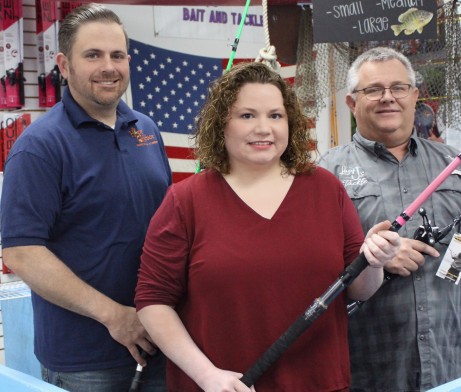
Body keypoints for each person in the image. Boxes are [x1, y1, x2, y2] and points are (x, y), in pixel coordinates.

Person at [134, 61, 401, 392]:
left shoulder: (325, 189)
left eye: (275, 116)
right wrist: (206, 375)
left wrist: (372, 260)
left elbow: (360, 288)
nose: (264, 128)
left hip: (319, 383)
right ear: (221, 124)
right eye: (247, 115)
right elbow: (152, 301)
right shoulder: (185, 201)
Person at [1, 4, 171, 391]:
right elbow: (22, 252)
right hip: (86, 361)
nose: (108, 67)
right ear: (63, 64)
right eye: (92, 55)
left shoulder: (145, 130)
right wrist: (115, 316)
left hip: (162, 340)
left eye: (117, 55)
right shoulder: (40, 147)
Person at [319, 46, 461, 391]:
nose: (387, 98)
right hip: (366, 371)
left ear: (414, 95)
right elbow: (311, 266)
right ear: (351, 103)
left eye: (398, 87)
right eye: (374, 90)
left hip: (447, 364)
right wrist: (371, 259)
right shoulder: (325, 175)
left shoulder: (456, 163)